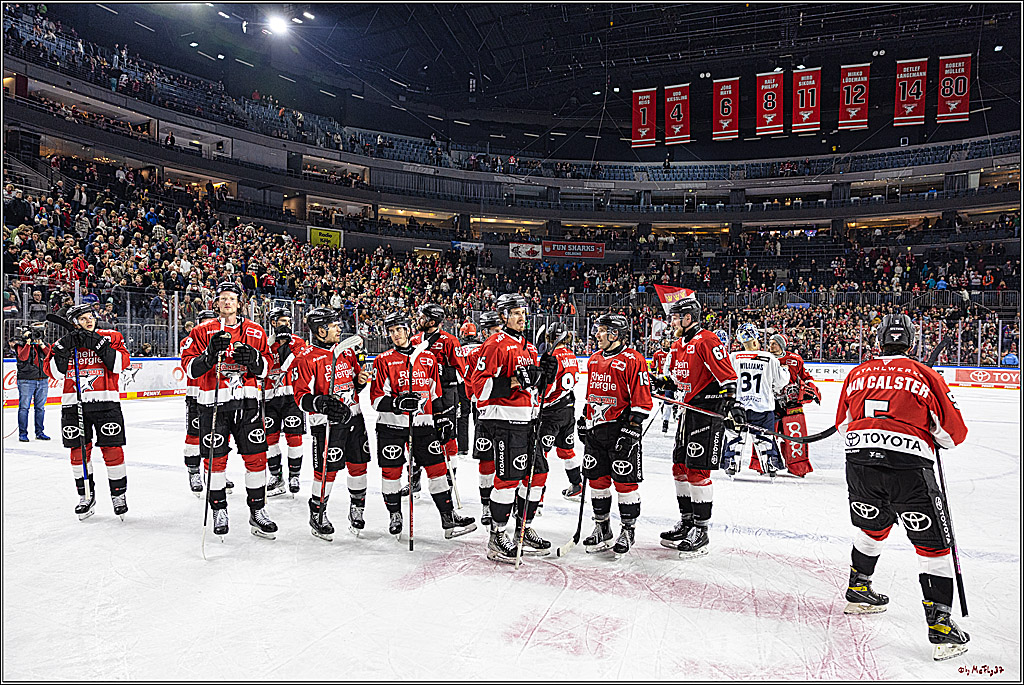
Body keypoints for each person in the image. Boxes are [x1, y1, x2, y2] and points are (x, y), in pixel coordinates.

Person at [836, 313, 970, 661]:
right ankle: (941, 627)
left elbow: (841, 425)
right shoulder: (925, 374)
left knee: (871, 528)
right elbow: (954, 433)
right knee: (934, 546)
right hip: (908, 468)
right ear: (912, 342)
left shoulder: (856, 373)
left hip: (860, 464)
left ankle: (858, 590)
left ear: (878, 342)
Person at [179, 282, 277, 540]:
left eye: (231, 299)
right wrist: (209, 355)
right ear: (216, 303)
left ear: (239, 302)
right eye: (222, 299)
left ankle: (258, 511)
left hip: (247, 405)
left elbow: (267, 369)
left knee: (256, 460)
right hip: (213, 406)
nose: (227, 303)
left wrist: (254, 360)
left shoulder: (256, 331)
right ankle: (219, 510)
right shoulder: (201, 331)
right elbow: (190, 369)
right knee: (215, 462)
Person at [369, 312, 476, 540]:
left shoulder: (427, 358)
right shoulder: (384, 360)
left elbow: (435, 395)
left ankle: (448, 517)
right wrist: (397, 403)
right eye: (391, 331)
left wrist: (441, 419)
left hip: (423, 425)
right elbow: (376, 399)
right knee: (392, 472)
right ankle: (395, 514)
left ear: (408, 330)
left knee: (437, 470)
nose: (395, 335)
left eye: (399, 329)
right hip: (392, 426)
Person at [655, 298, 744, 556]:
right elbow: (675, 378)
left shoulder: (707, 340)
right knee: (679, 467)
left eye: (675, 317)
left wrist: (732, 406)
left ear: (688, 318)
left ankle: (701, 530)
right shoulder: (678, 344)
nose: (671, 323)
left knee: (697, 471)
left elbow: (727, 376)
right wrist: (659, 382)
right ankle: (687, 521)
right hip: (687, 410)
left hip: (707, 411)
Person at [474, 294, 548, 563]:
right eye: (515, 312)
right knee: (507, 480)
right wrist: (516, 381)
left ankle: (523, 530)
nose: (521, 317)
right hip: (504, 420)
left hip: (528, 419)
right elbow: (478, 387)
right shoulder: (495, 344)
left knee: (538, 475)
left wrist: (543, 376)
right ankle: (497, 536)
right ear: (503, 316)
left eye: (523, 312)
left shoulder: (528, 346)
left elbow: (532, 383)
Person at [45, 303, 131, 520]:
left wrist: (100, 346)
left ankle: (118, 495)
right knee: (78, 452)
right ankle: (85, 495)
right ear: (74, 323)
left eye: (90, 317)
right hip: (74, 405)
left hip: (107, 403)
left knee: (113, 450)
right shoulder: (63, 343)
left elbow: (121, 364)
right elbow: (54, 373)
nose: (89, 321)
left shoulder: (111, 336)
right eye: (82, 319)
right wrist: (63, 350)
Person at [291, 308, 371, 540]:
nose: (339, 329)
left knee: (359, 465)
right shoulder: (306, 358)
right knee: (326, 470)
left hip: (354, 417)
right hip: (327, 424)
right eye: (334, 326)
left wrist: (360, 381)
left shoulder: (345, 353)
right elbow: (301, 397)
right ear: (321, 330)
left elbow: (356, 384)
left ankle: (357, 509)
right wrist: (321, 403)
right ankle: (317, 513)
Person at [577, 313, 653, 554]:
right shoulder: (594, 359)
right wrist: (583, 417)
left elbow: (642, 398)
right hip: (596, 429)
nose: (596, 335)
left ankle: (628, 530)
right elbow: (591, 392)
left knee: (625, 483)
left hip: (620, 429)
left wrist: (632, 429)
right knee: (598, 481)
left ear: (614, 334)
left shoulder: (633, 359)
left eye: (601, 331)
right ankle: (602, 527)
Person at [721, 323, 788, 477]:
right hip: (763, 408)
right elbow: (781, 382)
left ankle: (732, 461)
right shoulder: (769, 358)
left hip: (738, 408)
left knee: (734, 438)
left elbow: (724, 380)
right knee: (765, 439)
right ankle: (770, 463)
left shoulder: (733, 357)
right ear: (755, 340)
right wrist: (785, 372)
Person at [180, 310, 232, 495]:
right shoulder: (189, 342)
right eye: (204, 322)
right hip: (196, 394)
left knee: (219, 436)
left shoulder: (224, 342)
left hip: (216, 395)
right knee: (194, 435)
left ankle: (215, 472)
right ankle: (193, 471)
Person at [411, 303, 466, 471]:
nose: (418, 319)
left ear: (432, 321)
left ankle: (450, 476)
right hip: (421, 395)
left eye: (423, 317)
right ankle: (415, 476)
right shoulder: (414, 340)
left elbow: (461, 373)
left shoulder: (449, 341)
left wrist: (442, 372)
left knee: (447, 434)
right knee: (416, 435)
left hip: (446, 394)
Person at [463, 310, 503, 525]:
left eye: (500, 330)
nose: (498, 334)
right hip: (485, 413)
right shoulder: (474, 354)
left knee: (506, 460)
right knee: (487, 459)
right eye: (494, 331)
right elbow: (471, 384)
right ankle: (486, 504)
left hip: (507, 413)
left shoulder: (509, 349)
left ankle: (505, 501)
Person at [264, 308, 309, 497]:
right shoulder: (264, 344)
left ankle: (294, 475)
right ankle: (276, 476)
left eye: (288, 321)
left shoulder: (298, 342)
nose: (286, 325)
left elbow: (290, 364)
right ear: (273, 323)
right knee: (270, 439)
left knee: (294, 438)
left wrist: (284, 344)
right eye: (282, 321)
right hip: (269, 398)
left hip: (292, 396)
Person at [538, 322, 583, 500]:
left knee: (540, 453)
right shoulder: (571, 355)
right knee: (566, 450)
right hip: (569, 409)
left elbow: (547, 389)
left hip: (551, 412)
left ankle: (537, 498)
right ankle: (576, 485)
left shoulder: (553, 356)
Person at [769, 333, 821, 477]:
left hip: (792, 404)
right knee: (766, 434)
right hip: (770, 403)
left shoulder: (795, 359)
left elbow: (806, 377)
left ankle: (798, 467)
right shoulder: (765, 358)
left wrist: (811, 388)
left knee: (794, 434)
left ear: (782, 345)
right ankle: (765, 464)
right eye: (770, 343)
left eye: (774, 343)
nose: (771, 346)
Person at [15, 322, 51, 442]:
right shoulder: (20, 344)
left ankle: (40, 432)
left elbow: (49, 356)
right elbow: (23, 357)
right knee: (24, 407)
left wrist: (41, 345)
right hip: (26, 380)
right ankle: (23, 433)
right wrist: (28, 343)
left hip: (42, 379)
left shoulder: (43, 344)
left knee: (40, 408)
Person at [651, 336, 674, 433]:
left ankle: (676, 412)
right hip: (663, 378)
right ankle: (665, 421)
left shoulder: (673, 352)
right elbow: (653, 366)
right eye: (665, 342)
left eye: (668, 341)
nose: (667, 343)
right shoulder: (658, 354)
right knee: (665, 399)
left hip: (674, 378)